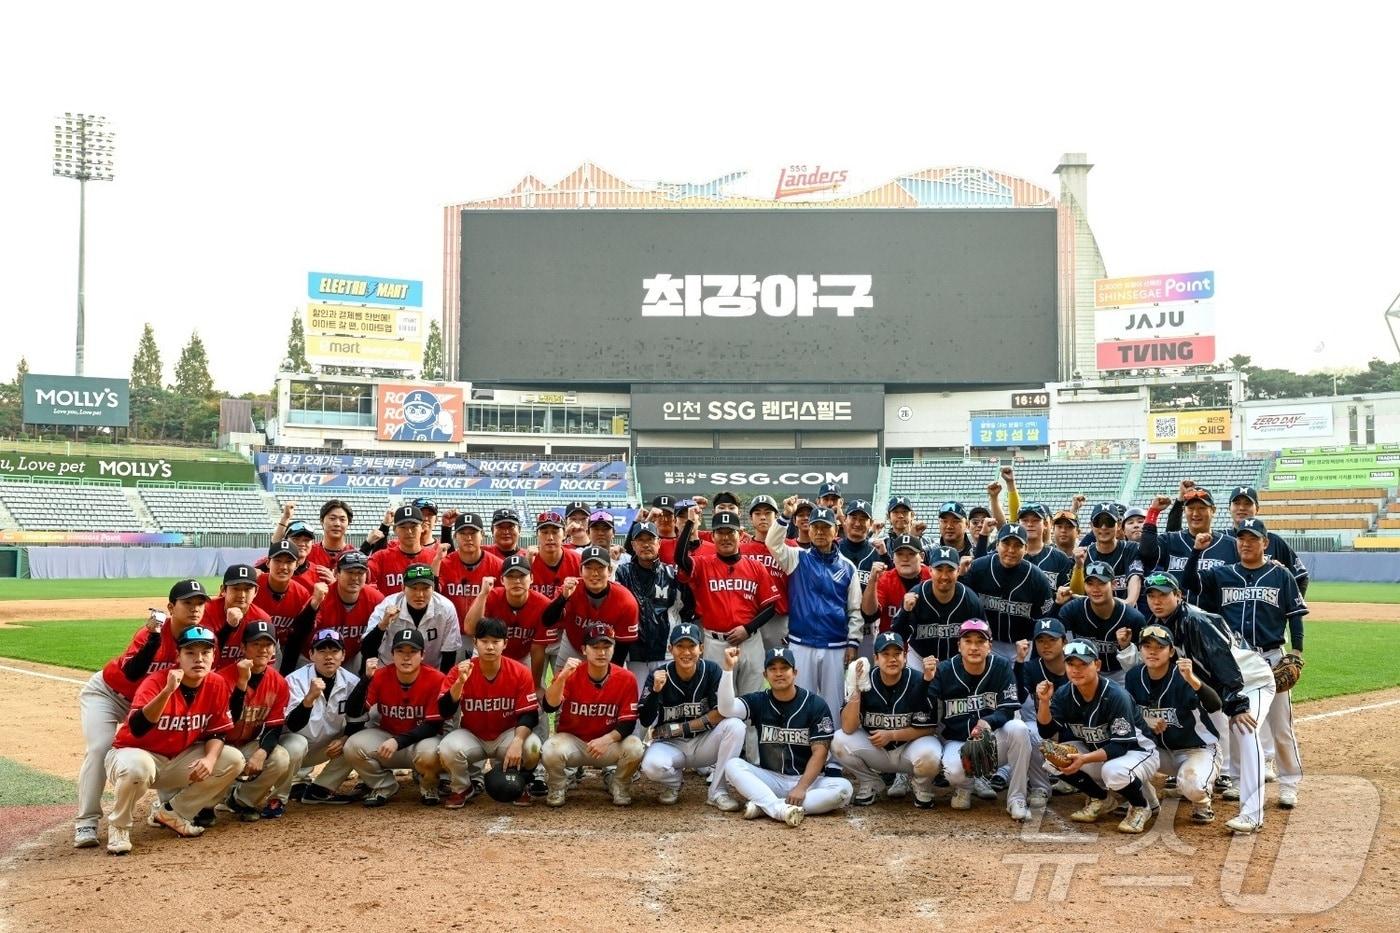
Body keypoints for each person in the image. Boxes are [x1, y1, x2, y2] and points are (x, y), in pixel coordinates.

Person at [73, 579, 212, 849]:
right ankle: (86, 821)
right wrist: (154, 637)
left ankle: (164, 805)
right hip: (112, 696)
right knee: (100, 748)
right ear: (171, 607)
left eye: (200, 603)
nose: (195, 608)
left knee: (172, 741)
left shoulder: (195, 642)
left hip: (150, 702)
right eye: (188, 603)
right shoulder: (150, 633)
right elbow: (133, 672)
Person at [1134, 572, 1276, 834]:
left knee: (1245, 731)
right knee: (1215, 730)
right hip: (1219, 685)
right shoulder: (1160, 622)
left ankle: (1252, 814)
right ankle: (1207, 778)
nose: (1156, 600)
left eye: (1163, 595)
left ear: (1178, 596)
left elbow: (1222, 663)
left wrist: (1236, 704)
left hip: (1249, 682)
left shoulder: (1196, 621)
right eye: (1151, 595)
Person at [1184, 518, 1307, 809]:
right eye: (1241, 538)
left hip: (1271, 658)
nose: (1246, 543)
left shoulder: (1281, 576)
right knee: (1238, 722)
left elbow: (1295, 614)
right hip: (1235, 660)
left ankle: (1289, 784)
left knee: (1280, 726)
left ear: (1265, 543)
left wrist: (1298, 651)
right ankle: (1238, 781)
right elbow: (1188, 585)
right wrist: (1196, 552)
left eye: (1253, 538)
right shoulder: (1222, 575)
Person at [103, 625, 244, 854]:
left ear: (214, 656)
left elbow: (217, 732)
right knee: (138, 767)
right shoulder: (156, 682)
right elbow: (138, 728)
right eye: (190, 653)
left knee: (233, 759)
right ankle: (119, 827)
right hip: (135, 754)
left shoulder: (216, 684)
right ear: (178, 657)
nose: (199, 659)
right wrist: (168, 691)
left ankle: (174, 812)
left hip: (177, 761)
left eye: (205, 652)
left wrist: (209, 759)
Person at [1034, 640, 1161, 834]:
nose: (1076, 670)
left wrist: (1083, 759)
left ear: (1097, 665)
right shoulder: (1064, 693)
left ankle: (1140, 806)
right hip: (1100, 751)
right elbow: (1046, 732)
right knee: (1052, 757)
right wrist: (1044, 702)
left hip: (1138, 751)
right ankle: (1101, 799)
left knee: (1114, 772)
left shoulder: (1116, 695)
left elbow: (1119, 747)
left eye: (1083, 664)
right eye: (1071, 664)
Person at [718, 646, 853, 826]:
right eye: (773, 669)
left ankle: (765, 806)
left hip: (807, 780)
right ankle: (778, 808)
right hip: (770, 778)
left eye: (784, 668)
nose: (779, 673)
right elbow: (726, 709)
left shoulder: (815, 704)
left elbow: (820, 753)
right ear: (765, 675)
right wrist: (728, 669)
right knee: (733, 765)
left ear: (795, 672)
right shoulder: (759, 700)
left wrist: (802, 787)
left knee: (844, 789)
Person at [924, 620, 1031, 820]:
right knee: (953, 772)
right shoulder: (945, 670)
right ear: (959, 645)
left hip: (991, 740)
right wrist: (927, 680)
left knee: (1019, 729)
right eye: (968, 641)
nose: (974, 647)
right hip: (956, 740)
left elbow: (1009, 709)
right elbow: (926, 706)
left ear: (989, 645)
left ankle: (1016, 798)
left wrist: (988, 721)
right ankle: (965, 787)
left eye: (980, 641)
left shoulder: (1000, 666)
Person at [766, 500, 862, 720]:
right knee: (800, 700)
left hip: (835, 645)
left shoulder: (848, 567)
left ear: (835, 530)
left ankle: (833, 752)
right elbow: (772, 543)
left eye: (825, 527)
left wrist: (853, 642)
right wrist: (785, 516)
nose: (819, 532)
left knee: (833, 702)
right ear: (808, 529)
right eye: (815, 526)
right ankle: (801, 751)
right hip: (801, 642)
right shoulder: (796, 557)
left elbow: (854, 609)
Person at [638, 623, 746, 810]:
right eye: (680, 646)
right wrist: (655, 691)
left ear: (701, 649)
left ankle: (718, 791)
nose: (686, 652)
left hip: (704, 743)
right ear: (670, 649)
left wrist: (682, 728)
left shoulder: (711, 670)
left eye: (691, 646)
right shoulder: (659, 675)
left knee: (736, 726)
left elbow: (722, 712)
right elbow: (645, 720)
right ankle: (674, 783)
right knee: (652, 766)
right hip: (672, 746)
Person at [1121, 625, 1222, 823]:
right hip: (1158, 752)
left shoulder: (1183, 676)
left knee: (1193, 786)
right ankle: (1147, 801)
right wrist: (1144, 721)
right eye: (1147, 646)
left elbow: (1215, 705)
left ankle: (1201, 803)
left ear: (1171, 651)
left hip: (1196, 749)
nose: (1152, 651)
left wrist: (1193, 679)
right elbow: (1126, 716)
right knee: (1123, 757)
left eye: (1160, 646)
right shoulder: (1133, 676)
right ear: (1140, 650)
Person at [437, 617, 543, 807]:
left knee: (532, 747)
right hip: (473, 735)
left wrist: (518, 741)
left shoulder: (520, 671)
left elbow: (529, 714)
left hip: (507, 734)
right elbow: (445, 710)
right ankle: (462, 787)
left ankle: (519, 785)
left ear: (505, 644)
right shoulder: (460, 671)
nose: (490, 647)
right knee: (447, 748)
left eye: (496, 642)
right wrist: (460, 683)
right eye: (484, 641)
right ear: (475, 642)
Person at [676, 512, 780, 699]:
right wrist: (690, 524)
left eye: (730, 532)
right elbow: (680, 558)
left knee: (753, 700)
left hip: (750, 641)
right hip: (716, 643)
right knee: (719, 701)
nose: (725, 537)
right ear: (712, 536)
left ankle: (750, 730)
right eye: (720, 532)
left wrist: (748, 629)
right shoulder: (702, 564)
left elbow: (771, 606)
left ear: (740, 535)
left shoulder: (756, 566)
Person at [539, 623, 645, 807]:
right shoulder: (570, 674)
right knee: (550, 749)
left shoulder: (626, 678)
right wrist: (562, 678)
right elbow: (549, 706)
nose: (601, 652)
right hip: (574, 742)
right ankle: (557, 786)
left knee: (635, 747)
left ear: (614, 648)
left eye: (607, 647)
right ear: (583, 650)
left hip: (608, 744)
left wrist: (607, 739)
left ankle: (619, 785)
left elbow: (628, 723)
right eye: (595, 647)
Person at [832, 632, 941, 808]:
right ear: (875, 658)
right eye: (885, 654)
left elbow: (929, 729)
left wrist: (892, 735)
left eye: (897, 654)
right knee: (838, 740)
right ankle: (871, 783)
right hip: (877, 751)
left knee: (931, 753)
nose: (892, 659)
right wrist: (856, 690)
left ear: (905, 657)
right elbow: (848, 727)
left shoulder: (917, 680)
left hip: (909, 749)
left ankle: (921, 787)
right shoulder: (865, 681)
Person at [342, 629, 447, 806]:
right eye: (400, 652)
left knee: (432, 754)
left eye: (412, 652)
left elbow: (433, 726)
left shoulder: (436, 679)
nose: (406, 657)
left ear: (422, 655)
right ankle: (384, 786)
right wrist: (366, 679)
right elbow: (354, 711)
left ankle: (429, 785)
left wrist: (397, 741)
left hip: (422, 740)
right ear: (392, 654)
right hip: (389, 737)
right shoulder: (380, 676)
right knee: (352, 746)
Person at [216, 620, 293, 820]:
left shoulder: (279, 683)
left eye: (267, 644)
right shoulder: (222, 679)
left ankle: (242, 801)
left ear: (274, 648)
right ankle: (205, 806)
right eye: (256, 644)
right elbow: (219, 724)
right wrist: (241, 684)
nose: (262, 650)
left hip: (246, 743)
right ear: (243, 647)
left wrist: (262, 751)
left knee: (279, 757)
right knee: (227, 758)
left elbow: (274, 727)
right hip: (216, 745)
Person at [276, 628, 361, 806]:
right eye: (322, 651)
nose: (328, 656)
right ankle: (279, 797)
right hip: (294, 748)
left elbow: (359, 722)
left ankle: (321, 789)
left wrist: (345, 739)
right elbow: (292, 725)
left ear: (343, 655)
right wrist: (309, 699)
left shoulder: (353, 683)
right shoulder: (294, 681)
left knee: (356, 742)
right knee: (296, 745)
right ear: (311, 654)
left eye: (334, 651)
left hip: (328, 747)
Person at [961, 523, 1057, 661]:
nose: (1011, 550)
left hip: (1023, 645)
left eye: (1018, 545)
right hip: (986, 643)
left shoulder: (1037, 578)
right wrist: (960, 577)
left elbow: (1045, 619)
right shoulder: (978, 568)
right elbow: (963, 603)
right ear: (997, 545)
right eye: (1006, 544)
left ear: (1026, 549)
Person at [617, 519, 691, 690]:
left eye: (650, 540)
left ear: (659, 543)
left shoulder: (673, 575)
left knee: (665, 702)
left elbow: (687, 609)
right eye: (641, 540)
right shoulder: (622, 573)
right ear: (633, 545)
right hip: (634, 652)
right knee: (636, 702)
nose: (646, 545)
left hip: (665, 650)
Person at [542, 545, 640, 668]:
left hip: (607, 650)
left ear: (609, 571)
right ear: (580, 571)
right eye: (588, 568)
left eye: (600, 568)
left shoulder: (626, 601)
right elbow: (547, 621)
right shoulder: (570, 590)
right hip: (574, 646)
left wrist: (611, 673)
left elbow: (622, 646)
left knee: (613, 682)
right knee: (562, 683)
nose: (594, 573)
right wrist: (563, 597)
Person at [889, 546, 984, 673]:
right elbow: (898, 635)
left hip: (957, 662)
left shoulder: (970, 600)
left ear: (958, 571)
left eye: (950, 570)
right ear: (930, 570)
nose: (944, 576)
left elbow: (982, 637)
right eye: (939, 569)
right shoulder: (916, 595)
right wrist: (905, 612)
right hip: (919, 660)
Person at [1137, 485, 1236, 602]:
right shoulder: (1171, 540)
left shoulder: (1230, 545)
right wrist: (1153, 512)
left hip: (1217, 615)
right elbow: (1146, 553)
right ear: (1184, 510)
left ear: (1213, 510)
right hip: (1178, 616)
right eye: (1191, 508)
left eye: (1202, 508)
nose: (1195, 513)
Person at [289, 550, 383, 673]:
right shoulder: (322, 597)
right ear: (336, 573)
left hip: (350, 657)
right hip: (314, 658)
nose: (355, 577)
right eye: (349, 572)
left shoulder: (376, 599)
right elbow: (297, 636)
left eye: (360, 573)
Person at [361, 563, 462, 673]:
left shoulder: (446, 608)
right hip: (390, 670)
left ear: (433, 588)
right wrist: (383, 625)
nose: (420, 594)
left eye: (426, 588)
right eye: (414, 588)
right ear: (403, 588)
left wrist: (442, 685)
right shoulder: (388, 605)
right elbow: (366, 648)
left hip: (429, 672)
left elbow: (450, 652)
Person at [1058, 561, 1145, 684]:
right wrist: (1057, 605)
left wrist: (1126, 648)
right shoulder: (1072, 610)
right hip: (1084, 670)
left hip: (1121, 673)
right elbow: (1056, 640)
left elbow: (1139, 667)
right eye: (1090, 583)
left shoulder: (1133, 618)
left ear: (1114, 584)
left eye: (1102, 583)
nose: (1095, 589)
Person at [1226, 486, 1309, 595]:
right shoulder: (1219, 540)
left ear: (1257, 509)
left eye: (1247, 504)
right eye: (1236, 503)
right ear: (1229, 508)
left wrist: (1290, 607)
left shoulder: (1274, 541)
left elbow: (1301, 577)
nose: (1241, 508)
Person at [861, 533, 932, 652]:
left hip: (926, 650)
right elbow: (869, 614)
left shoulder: (932, 577)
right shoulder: (885, 579)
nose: (905, 559)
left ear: (922, 556)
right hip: (891, 649)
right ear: (893, 557)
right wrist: (872, 581)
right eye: (900, 554)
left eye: (911, 554)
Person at [740, 495, 790, 651]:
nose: (763, 517)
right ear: (751, 518)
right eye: (757, 513)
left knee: (778, 670)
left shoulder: (790, 548)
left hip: (779, 618)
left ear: (776, 516)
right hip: (748, 617)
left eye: (768, 513)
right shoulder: (741, 550)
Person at [435, 512, 504, 625]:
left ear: (482, 534)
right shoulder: (444, 563)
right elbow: (434, 596)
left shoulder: (497, 565)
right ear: (455, 536)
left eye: (473, 533)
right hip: (451, 630)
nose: (468, 538)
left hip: (485, 634)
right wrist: (436, 562)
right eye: (462, 533)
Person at [256, 540, 315, 648]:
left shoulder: (302, 594)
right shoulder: (254, 585)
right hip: (252, 644)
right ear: (268, 563)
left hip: (286, 646)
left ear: (297, 564)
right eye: (278, 560)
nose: (283, 567)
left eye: (289, 562)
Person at [1084, 502, 1144, 604]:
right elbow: (1075, 596)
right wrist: (1078, 567)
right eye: (1098, 522)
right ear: (1091, 526)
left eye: (1109, 522)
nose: (1103, 527)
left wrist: (1105, 603)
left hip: (1125, 615)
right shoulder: (1085, 554)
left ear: (1119, 525)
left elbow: (1131, 602)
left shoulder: (1131, 549)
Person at [367, 506, 433, 596]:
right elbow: (363, 582)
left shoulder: (434, 557)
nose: (409, 531)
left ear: (422, 527)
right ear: (395, 530)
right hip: (389, 609)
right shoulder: (380, 558)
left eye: (414, 526)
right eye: (403, 527)